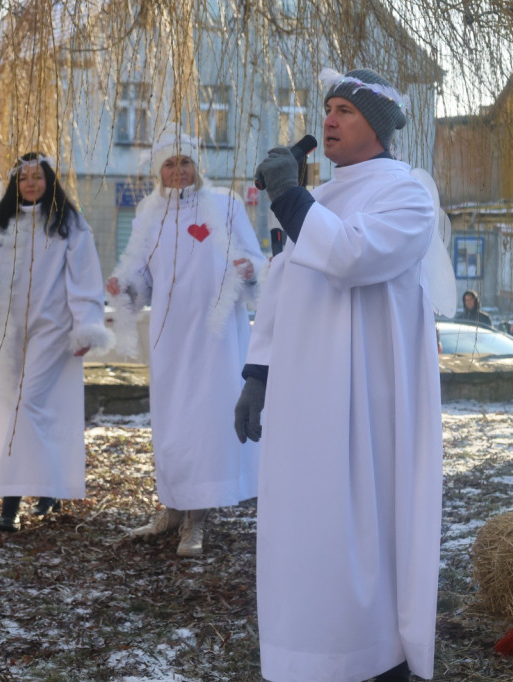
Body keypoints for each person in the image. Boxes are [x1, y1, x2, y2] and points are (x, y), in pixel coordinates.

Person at [234, 67, 442, 682]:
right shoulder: (317, 200)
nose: (329, 119)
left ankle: (372, 659)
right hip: (304, 396)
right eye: (327, 108)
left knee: (359, 533)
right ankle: (302, 659)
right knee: (300, 530)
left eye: (346, 110)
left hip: (366, 401)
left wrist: (289, 197)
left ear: (377, 126)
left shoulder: (408, 192)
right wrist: (258, 374)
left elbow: (352, 256)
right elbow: (283, 281)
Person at [107, 131, 265, 558]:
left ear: (198, 165)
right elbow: (143, 277)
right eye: (170, 164)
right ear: (159, 171)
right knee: (172, 421)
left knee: (208, 422)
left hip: (215, 336)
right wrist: (125, 286)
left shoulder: (226, 205)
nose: (179, 171)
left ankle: (198, 517)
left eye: (186, 162)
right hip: (171, 337)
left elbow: (257, 263)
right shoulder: (148, 214)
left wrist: (249, 269)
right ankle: (173, 506)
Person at [0, 152, 113, 532]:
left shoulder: (68, 225)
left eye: (37, 177)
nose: (31, 184)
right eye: (24, 178)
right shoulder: (4, 226)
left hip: (53, 330)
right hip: (12, 334)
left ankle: (14, 500)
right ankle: (45, 487)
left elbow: (86, 279)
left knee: (28, 403)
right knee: (16, 411)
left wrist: (86, 326)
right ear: (16, 184)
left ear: (49, 181)